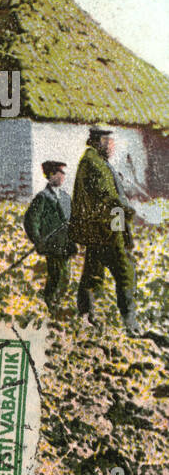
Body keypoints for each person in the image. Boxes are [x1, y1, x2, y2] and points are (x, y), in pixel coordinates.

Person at [70, 126, 139, 334]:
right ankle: (130, 323)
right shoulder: (94, 164)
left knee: (93, 272)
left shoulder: (95, 161)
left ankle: (85, 316)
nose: (112, 146)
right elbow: (108, 198)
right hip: (107, 229)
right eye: (109, 142)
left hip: (104, 227)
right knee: (125, 271)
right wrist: (131, 209)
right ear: (99, 141)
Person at [23, 160, 76, 310]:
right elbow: (31, 221)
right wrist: (37, 240)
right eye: (60, 173)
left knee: (66, 277)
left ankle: (56, 301)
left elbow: (73, 218)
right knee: (55, 275)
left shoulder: (66, 197)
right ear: (51, 175)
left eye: (63, 174)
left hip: (66, 243)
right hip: (51, 245)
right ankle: (50, 302)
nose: (63, 177)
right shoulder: (42, 197)